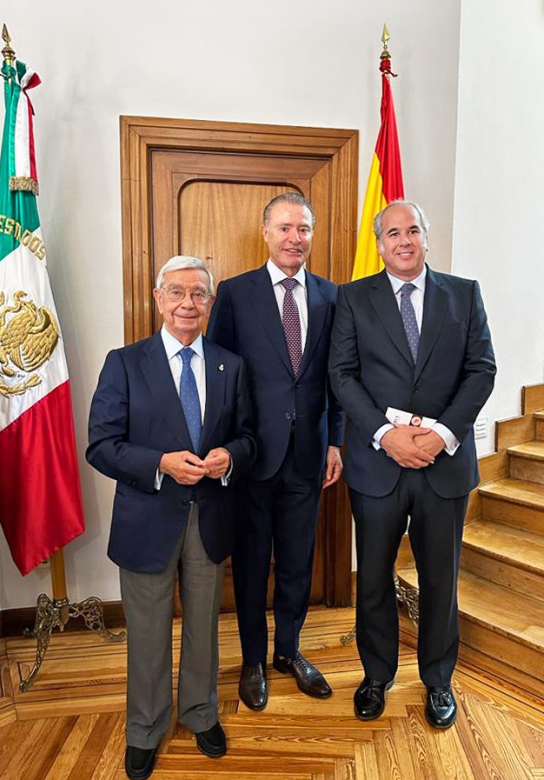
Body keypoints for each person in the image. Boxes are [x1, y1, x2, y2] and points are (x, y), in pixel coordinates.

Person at [87, 256, 256, 780]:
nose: (188, 303)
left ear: (209, 303)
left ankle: (201, 712)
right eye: (177, 293)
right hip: (147, 520)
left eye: (198, 294)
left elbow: (249, 438)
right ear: (158, 298)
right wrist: (159, 463)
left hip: (209, 518)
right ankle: (145, 728)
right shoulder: (124, 362)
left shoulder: (231, 365)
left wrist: (231, 456)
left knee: (204, 624)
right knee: (147, 629)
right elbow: (101, 445)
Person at [328, 200, 496, 729]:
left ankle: (439, 679)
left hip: (443, 466)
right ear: (379, 244)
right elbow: (343, 375)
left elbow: (482, 370)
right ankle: (376, 676)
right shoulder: (353, 298)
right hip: (378, 466)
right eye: (393, 232)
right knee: (374, 577)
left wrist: (442, 434)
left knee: (440, 579)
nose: (404, 240)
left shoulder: (463, 294)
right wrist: (385, 434)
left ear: (426, 237)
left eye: (413, 230)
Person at [207, 192, 344, 711]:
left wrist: (336, 440)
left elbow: (337, 378)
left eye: (304, 229)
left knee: (295, 562)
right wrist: (225, 448)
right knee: (249, 564)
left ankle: (289, 651)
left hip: (309, 454)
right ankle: (253, 661)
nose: (295, 238)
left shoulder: (333, 296)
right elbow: (221, 377)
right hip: (251, 456)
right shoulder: (236, 293)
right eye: (285, 228)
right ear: (265, 233)